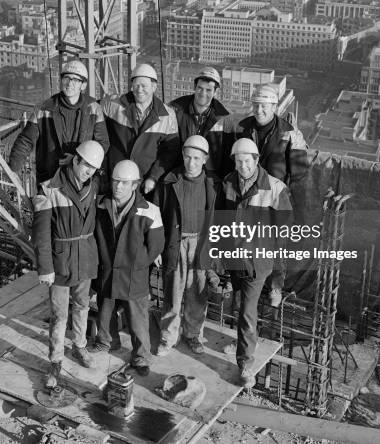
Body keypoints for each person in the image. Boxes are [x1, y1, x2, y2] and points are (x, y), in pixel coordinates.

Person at [223, 83, 309, 305]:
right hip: (247, 194)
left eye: (264, 106)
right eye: (256, 105)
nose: (259, 110)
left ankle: (275, 286)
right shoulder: (242, 127)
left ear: (274, 106)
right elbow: (231, 159)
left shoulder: (289, 133)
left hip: (275, 197)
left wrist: (291, 199)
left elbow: (300, 173)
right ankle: (238, 279)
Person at [218, 138, 293, 388]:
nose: (242, 167)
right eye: (238, 162)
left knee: (248, 312)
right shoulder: (228, 182)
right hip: (235, 260)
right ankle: (242, 341)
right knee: (239, 305)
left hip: (257, 263)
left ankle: (245, 365)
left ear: (256, 160)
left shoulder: (274, 188)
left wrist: (277, 283)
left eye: (246, 161)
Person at [31, 140, 105, 388]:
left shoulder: (93, 186)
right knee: (59, 314)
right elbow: (41, 233)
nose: (89, 171)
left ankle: (80, 346)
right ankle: (56, 360)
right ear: (75, 160)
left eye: (94, 168)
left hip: (85, 258)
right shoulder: (49, 189)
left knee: (83, 305)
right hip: (61, 262)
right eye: (86, 165)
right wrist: (45, 268)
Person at [90, 160, 164, 376]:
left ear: (135, 185)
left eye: (124, 183)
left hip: (134, 274)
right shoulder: (101, 206)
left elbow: (155, 246)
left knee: (137, 318)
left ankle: (141, 357)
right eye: (115, 181)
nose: (118, 187)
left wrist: (136, 263)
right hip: (108, 271)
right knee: (105, 310)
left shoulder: (150, 211)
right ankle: (106, 342)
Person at [154, 135, 219, 356]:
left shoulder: (212, 185)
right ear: (182, 155)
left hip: (200, 244)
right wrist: (156, 247)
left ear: (204, 159)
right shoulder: (169, 181)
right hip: (175, 243)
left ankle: (193, 335)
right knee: (172, 293)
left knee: (197, 293)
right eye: (187, 157)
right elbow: (155, 216)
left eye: (196, 158)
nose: (191, 163)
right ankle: (168, 337)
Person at [9, 59, 109, 187]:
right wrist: (13, 168)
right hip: (50, 180)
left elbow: (102, 144)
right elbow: (26, 140)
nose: (69, 83)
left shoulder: (94, 109)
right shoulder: (44, 109)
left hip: (81, 181)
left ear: (83, 85)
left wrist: (76, 159)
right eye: (66, 78)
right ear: (61, 81)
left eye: (75, 80)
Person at [101, 63, 180, 196]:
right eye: (136, 85)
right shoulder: (114, 106)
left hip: (144, 183)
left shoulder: (167, 116)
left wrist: (153, 177)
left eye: (144, 86)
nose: (139, 90)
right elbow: (97, 129)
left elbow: (170, 153)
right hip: (115, 180)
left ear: (154, 87)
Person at [169, 67, 229, 178]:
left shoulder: (223, 118)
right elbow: (167, 146)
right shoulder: (175, 110)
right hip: (178, 174)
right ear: (194, 87)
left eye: (209, 90)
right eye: (200, 88)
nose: (203, 93)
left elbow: (225, 156)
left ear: (216, 92)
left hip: (208, 178)